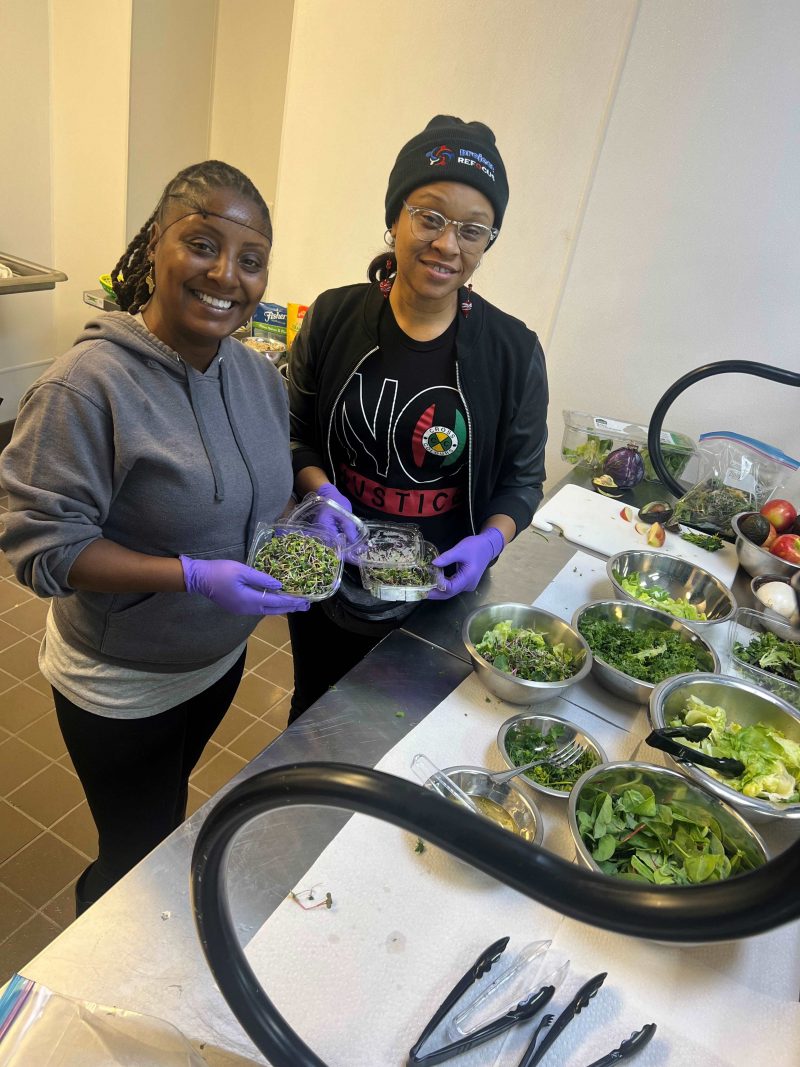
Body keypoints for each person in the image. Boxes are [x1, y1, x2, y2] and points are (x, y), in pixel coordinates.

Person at [0, 160, 309, 912]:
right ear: (155, 246)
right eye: (203, 244)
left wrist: (308, 512)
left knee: (166, 820)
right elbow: (41, 549)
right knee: (132, 859)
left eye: (251, 259)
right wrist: (192, 574)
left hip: (216, 660)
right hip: (123, 683)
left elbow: (259, 490)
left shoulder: (257, 378)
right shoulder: (86, 386)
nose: (226, 275)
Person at [286, 115, 548, 720]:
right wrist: (321, 493)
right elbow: (295, 434)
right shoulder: (332, 318)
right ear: (395, 218)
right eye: (429, 217)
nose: (448, 244)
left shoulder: (513, 351)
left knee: (408, 733)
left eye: (472, 230)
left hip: (439, 598)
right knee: (312, 719)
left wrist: (490, 541)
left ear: (487, 242)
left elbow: (522, 480)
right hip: (333, 584)